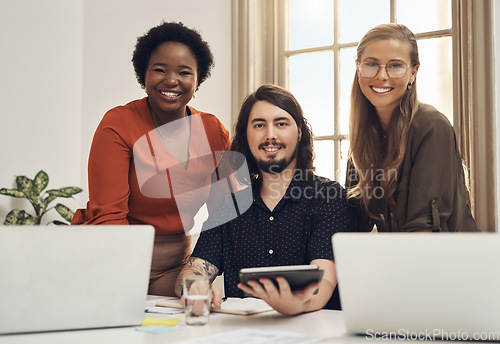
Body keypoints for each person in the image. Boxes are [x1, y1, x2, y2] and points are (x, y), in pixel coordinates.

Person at [72, 21, 232, 296]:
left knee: (175, 333)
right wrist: (123, 276)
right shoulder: (118, 124)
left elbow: (225, 213)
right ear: (143, 74)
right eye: (160, 69)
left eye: (184, 72)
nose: (171, 80)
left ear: (198, 79)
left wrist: (199, 272)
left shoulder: (213, 131)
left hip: (176, 264)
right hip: (112, 254)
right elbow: (109, 216)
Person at [175, 84, 356, 315]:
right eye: (259, 125)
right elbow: (194, 270)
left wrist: (295, 302)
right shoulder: (229, 205)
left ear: (299, 132)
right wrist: (194, 286)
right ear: (246, 135)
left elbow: (324, 280)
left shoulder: (329, 198)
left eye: (281, 124)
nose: (270, 134)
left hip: (312, 332)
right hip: (241, 333)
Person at [345, 23, 478, 232]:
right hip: (405, 259)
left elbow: (423, 232)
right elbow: (352, 223)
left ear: (414, 72)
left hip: (450, 261)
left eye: (395, 66)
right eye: (371, 64)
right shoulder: (363, 139)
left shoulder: (431, 126)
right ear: (358, 67)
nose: (381, 75)